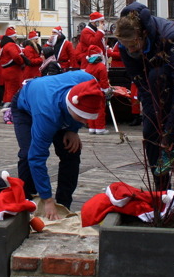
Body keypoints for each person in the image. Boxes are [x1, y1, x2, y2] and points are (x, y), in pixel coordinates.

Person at [114, 2, 174, 189]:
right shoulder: (124, 45)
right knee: (150, 129)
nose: (130, 50)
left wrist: (170, 129)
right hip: (155, 78)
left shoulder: (169, 36)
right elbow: (141, 83)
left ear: (143, 33)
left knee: (169, 119)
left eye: (133, 45)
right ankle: (160, 184)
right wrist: (151, 115)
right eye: (126, 46)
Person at [12, 71, 105, 219]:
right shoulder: (46, 116)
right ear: (72, 108)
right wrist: (47, 199)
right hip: (27, 108)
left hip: (58, 101)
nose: (85, 123)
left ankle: (64, 203)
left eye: (88, 120)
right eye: (81, 119)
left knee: (72, 151)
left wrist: (73, 129)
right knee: (28, 153)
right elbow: (37, 158)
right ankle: (29, 201)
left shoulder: (89, 85)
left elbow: (83, 111)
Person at [83, 45, 111, 135]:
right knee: (100, 109)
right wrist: (107, 90)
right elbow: (104, 81)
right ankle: (100, 128)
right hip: (98, 89)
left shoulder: (88, 67)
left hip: (89, 88)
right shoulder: (101, 67)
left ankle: (92, 127)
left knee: (91, 109)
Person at [0, 26, 25, 108]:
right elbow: (16, 56)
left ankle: (6, 106)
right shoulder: (11, 45)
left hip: (6, 71)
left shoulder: (4, 46)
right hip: (13, 71)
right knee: (13, 90)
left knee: (8, 90)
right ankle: (10, 110)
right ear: (11, 37)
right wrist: (22, 62)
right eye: (15, 36)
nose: (16, 38)